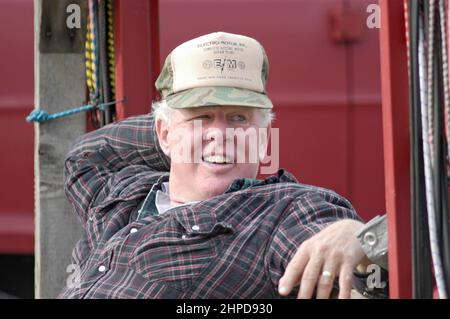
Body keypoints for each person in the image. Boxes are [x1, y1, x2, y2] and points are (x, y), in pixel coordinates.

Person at [58, 32, 386, 299]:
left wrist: (358, 238)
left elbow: (345, 258)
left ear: (263, 137)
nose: (221, 134)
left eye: (239, 118)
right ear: (163, 133)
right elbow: (86, 155)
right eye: (202, 116)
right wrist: (176, 129)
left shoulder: (283, 210)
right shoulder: (122, 192)